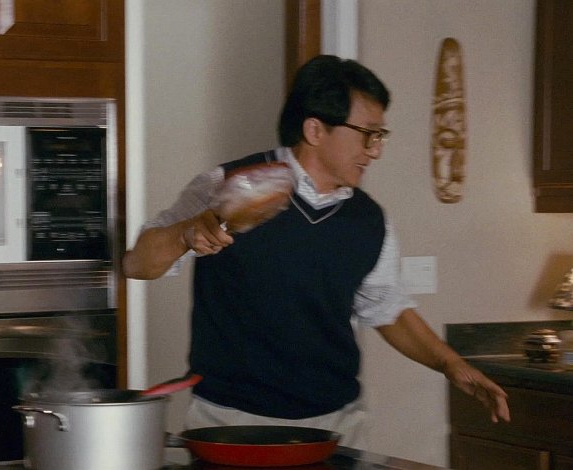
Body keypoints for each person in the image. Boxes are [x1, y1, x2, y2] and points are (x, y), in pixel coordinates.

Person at [123, 55, 509, 448]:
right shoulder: (227, 184)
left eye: (380, 136)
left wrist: (450, 363)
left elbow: (387, 308)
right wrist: (188, 233)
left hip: (337, 424)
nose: (375, 151)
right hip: (231, 421)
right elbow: (138, 263)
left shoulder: (368, 218)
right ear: (315, 129)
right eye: (367, 134)